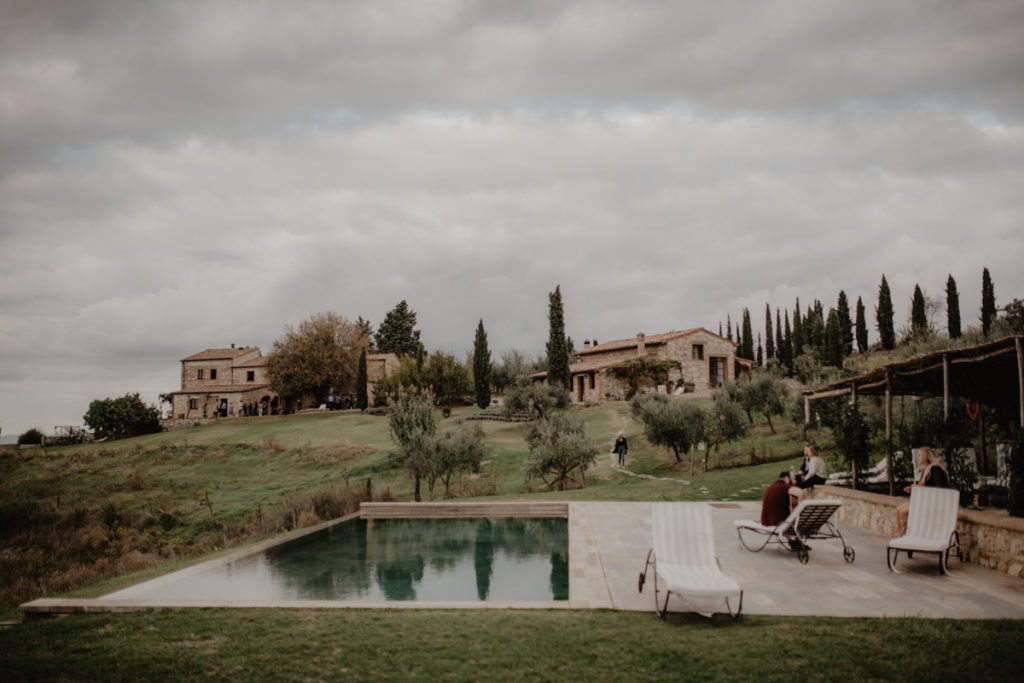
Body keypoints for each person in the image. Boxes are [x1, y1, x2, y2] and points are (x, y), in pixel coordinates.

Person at [895, 446, 949, 535]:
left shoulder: (935, 469)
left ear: (926, 456)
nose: (918, 457)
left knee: (903, 512)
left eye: (920, 455)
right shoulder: (925, 469)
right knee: (898, 510)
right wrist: (914, 488)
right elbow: (923, 486)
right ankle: (900, 538)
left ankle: (906, 537)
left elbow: (941, 488)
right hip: (923, 499)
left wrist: (921, 489)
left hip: (932, 502)